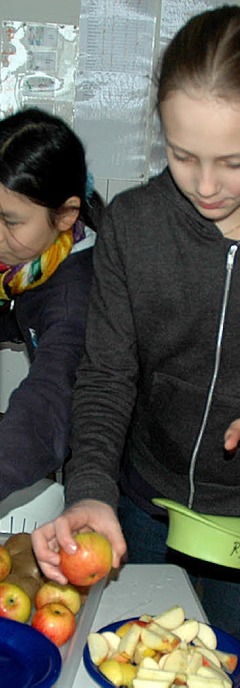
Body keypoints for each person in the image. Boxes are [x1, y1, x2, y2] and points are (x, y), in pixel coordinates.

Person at [31, 5, 240, 662]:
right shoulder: (133, 224)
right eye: (183, 155)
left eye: (233, 160)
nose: (207, 186)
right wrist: (91, 491)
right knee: (140, 667)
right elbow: (106, 374)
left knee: (222, 667)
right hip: (143, 500)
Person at [0, 108, 101, 502]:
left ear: (66, 213)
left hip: (123, 474)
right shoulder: (41, 262)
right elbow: (16, 316)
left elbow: (50, 402)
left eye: (11, 221)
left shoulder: (74, 296)